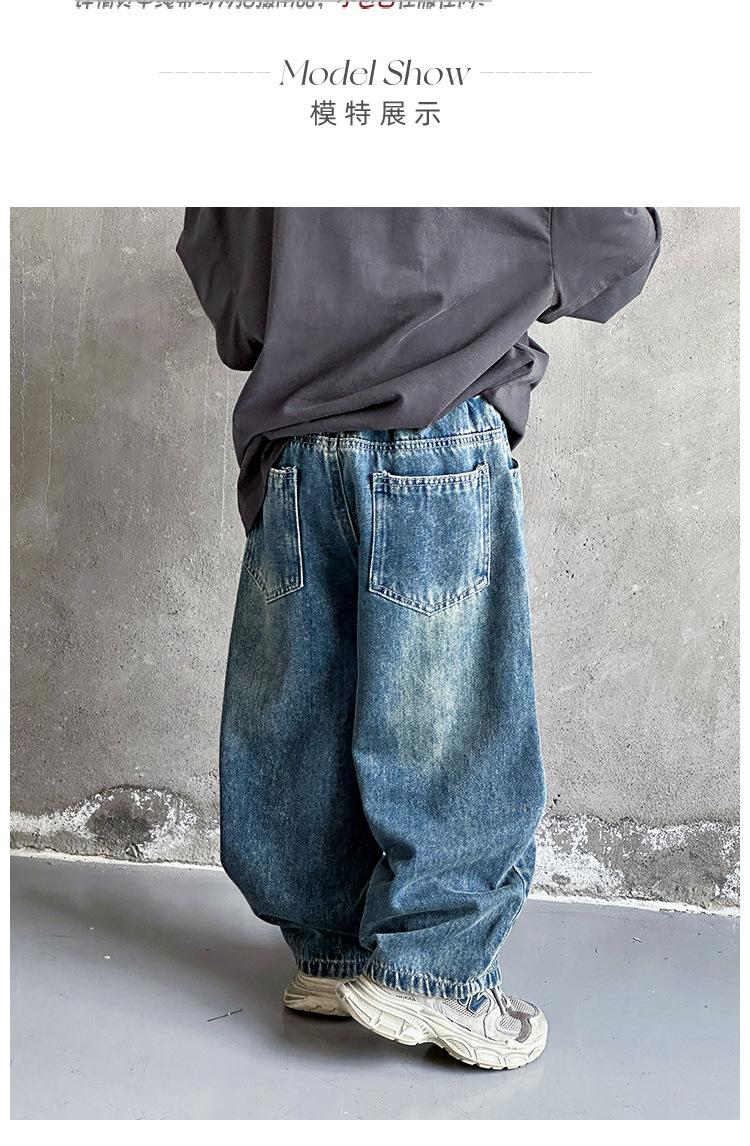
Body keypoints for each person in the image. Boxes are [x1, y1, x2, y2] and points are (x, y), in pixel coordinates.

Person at [176, 208, 661, 1070]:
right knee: (451, 728)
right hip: (436, 440)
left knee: (302, 717)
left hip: (298, 451)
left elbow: (230, 293)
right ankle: (436, 974)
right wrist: (482, 283)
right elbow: (620, 244)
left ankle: (330, 953)